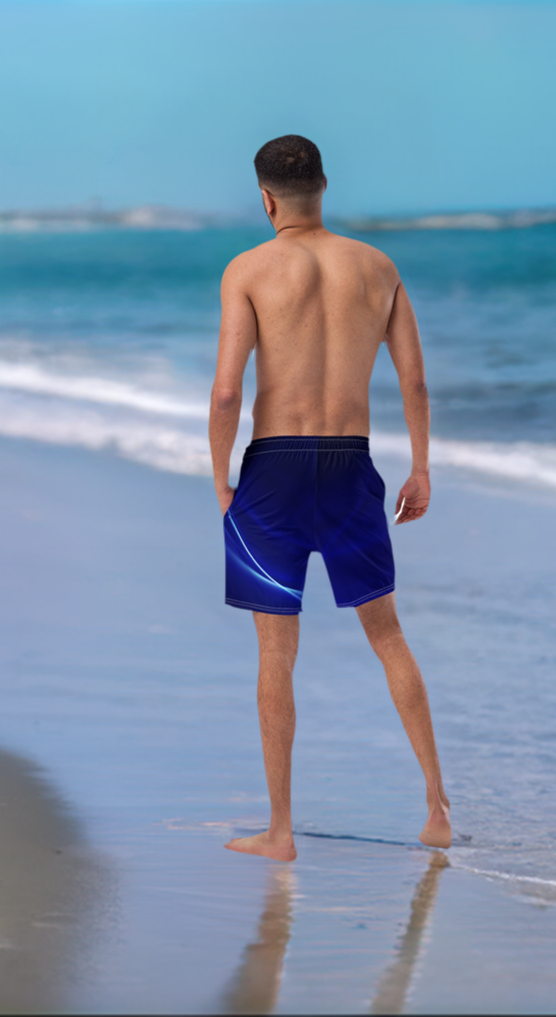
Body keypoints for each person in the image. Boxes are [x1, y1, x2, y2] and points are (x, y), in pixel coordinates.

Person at [209, 135, 450, 862]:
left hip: (274, 472)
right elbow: (414, 381)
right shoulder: (378, 268)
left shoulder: (248, 269)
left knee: (276, 651)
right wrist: (421, 468)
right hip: (352, 467)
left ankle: (280, 831)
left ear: (265, 197)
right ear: (323, 187)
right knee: (388, 635)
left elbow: (226, 391)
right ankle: (437, 809)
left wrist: (221, 479)